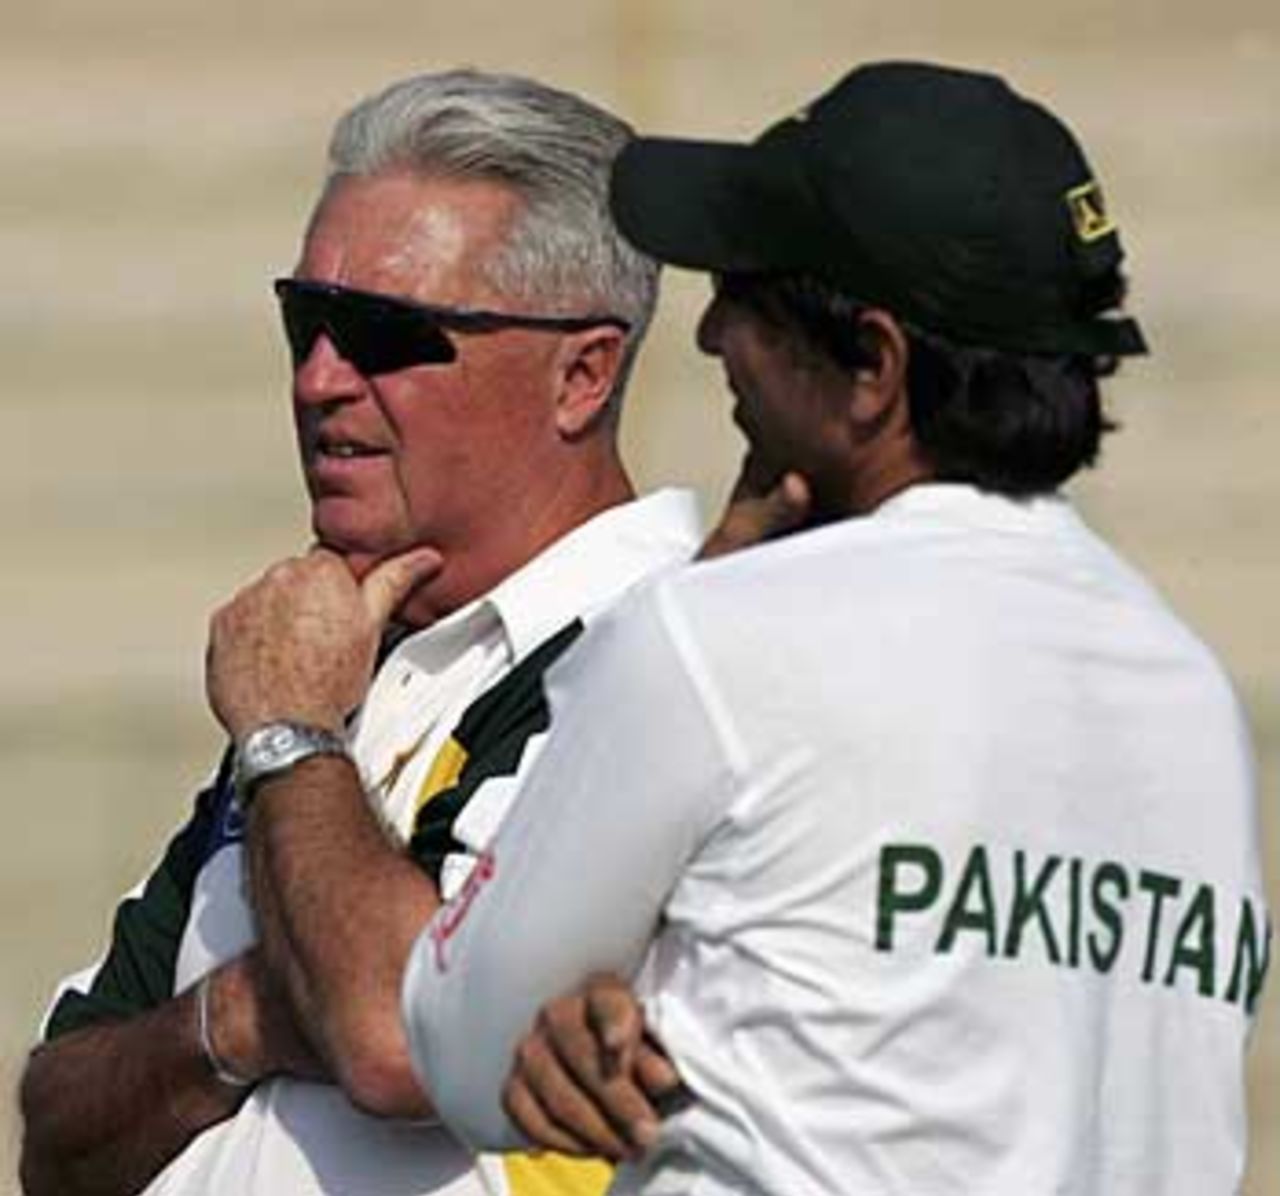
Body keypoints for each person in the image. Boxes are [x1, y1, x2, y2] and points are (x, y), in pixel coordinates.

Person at [400, 61, 1273, 1194]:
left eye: (748, 296)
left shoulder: (715, 637)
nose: (710, 332)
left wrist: (290, 745)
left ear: (871, 366)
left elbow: (461, 1041)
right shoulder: (1190, 692)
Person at [18, 69, 704, 1196]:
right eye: (307, 321)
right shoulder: (346, 662)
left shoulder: (660, 648)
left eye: (385, 335)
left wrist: (287, 731)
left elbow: (395, 1032)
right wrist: (244, 1011)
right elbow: (58, 1129)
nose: (318, 380)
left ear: (581, 372)